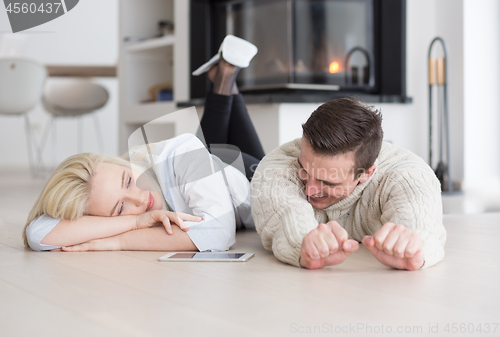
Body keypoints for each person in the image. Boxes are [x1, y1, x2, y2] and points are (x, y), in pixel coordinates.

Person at [23, 35, 265, 253]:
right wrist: (134, 222)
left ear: (116, 161)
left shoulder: (180, 153)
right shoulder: (114, 188)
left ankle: (224, 78)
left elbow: (218, 235)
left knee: (229, 160)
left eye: (128, 181)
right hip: (206, 166)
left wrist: (120, 241)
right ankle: (224, 79)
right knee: (204, 153)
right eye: (119, 208)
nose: (140, 200)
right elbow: (37, 233)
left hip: (247, 177)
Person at [250, 98, 446, 270]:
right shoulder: (276, 165)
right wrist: (303, 244)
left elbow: (421, 222)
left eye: (328, 181)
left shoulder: (408, 174)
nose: (309, 189)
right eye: (303, 169)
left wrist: (414, 250)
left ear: (367, 173)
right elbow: (287, 214)